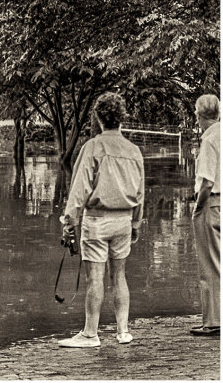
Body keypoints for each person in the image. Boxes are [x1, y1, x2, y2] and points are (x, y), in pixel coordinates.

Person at [58, 92, 144, 348]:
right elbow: (140, 193)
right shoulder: (134, 150)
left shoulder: (93, 147)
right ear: (122, 118)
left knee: (95, 278)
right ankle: (123, 331)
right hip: (124, 220)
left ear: (97, 117)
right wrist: (136, 224)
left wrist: (69, 220)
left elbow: (80, 188)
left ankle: (90, 334)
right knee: (119, 276)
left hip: (97, 220)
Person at [190, 94, 220, 336]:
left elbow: (207, 181)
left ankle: (213, 321)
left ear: (200, 116)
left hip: (212, 203)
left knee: (209, 263)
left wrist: (198, 207)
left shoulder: (210, 140)